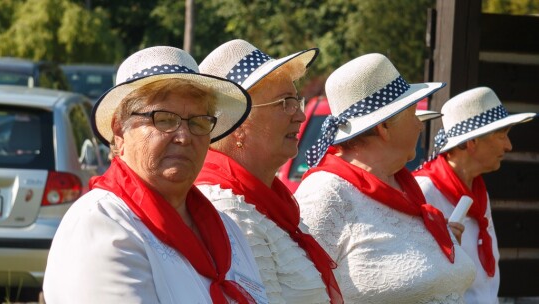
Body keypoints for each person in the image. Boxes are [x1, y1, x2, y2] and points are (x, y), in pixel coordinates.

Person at [43, 46, 268, 304]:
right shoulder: (102, 224)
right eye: (164, 119)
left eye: (198, 121)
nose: (184, 137)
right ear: (119, 130)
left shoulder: (227, 230)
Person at [294, 53, 476, 303]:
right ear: (385, 127)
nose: (420, 125)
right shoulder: (326, 193)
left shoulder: (403, 185)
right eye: (413, 113)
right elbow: (295, 290)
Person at [194, 39, 343, 304]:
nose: (299, 115)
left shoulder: (265, 203)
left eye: (297, 100)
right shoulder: (229, 210)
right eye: (284, 103)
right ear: (238, 122)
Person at [413, 87, 536, 304]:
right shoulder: (423, 191)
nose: (509, 146)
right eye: (502, 135)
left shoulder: (477, 191)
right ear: (472, 142)